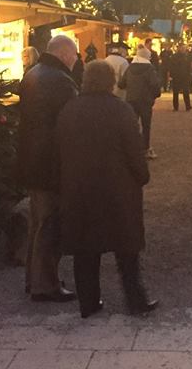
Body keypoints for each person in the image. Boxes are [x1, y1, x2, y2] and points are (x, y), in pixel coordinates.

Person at [58, 60, 158, 318]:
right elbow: (133, 150)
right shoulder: (121, 110)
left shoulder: (70, 109)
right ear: (111, 81)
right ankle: (135, 300)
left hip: (80, 188)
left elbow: (60, 148)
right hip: (118, 190)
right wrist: (141, 175)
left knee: (86, 249)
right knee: (126, 250)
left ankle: (88, 302)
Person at [17, 34, 78, 302]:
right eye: (74, 56)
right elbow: (70, 123)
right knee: (50, 224)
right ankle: (45, 284)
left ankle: (34, 278)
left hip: (31, 159)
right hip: (50, 162)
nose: (76, 61)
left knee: (38, 223)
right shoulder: (61, 81)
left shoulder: (34, 73)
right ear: (65, 54)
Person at [120, 47, 162, 159]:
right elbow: (155, 84)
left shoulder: (130, 68)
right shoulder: (149, 69)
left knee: (133, 125)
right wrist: (155, 95)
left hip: (131, 100)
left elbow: (121, 83)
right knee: (146, 125)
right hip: (145, 101)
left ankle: (132, 148)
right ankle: (146, 148)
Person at [169, 45, 192, 111]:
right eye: (182, 48)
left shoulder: (185, 56)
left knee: (182, 92)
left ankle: (184, 106)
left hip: (181, 76)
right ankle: (185, 106)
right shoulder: (180, 56)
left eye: (184, 48)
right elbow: (172, 66)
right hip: (179, 76)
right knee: (179, 92)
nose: (183, 49)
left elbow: (188, 67)